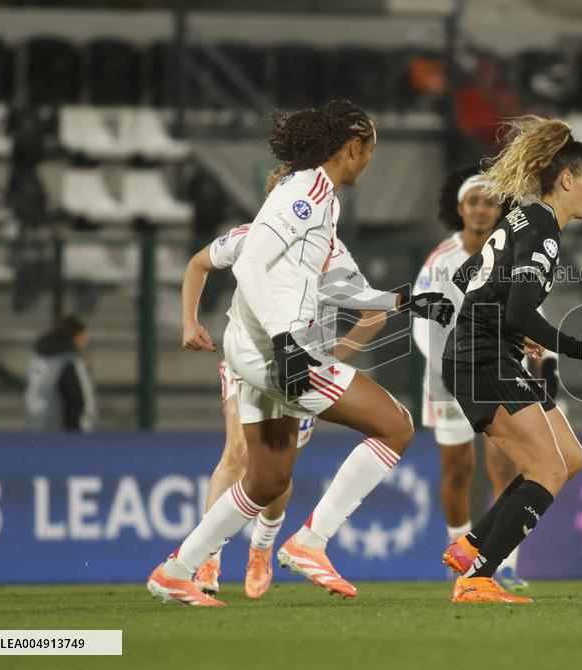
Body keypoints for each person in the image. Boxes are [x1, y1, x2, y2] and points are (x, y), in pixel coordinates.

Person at [147, 99, 454, 606]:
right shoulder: (308, 191)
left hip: (260, 349)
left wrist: (404, 300)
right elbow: (249, 268)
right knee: (395, 424)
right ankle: (311, 542)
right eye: (370, 152)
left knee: (268, 478)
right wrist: (288, 343)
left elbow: (340, 287)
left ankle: (176, 570)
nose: (370, 162)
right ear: (352, 148)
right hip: (274, 352)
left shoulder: (323, 201)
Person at [440, 116, 582, 603]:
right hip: (482, 358)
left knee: (569, 459)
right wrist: (581, 348)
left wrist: (510, 325)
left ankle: (471, 545)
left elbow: (469, 276)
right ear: (567, 180)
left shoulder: (523, 216)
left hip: (488, 350)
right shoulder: (543, 231)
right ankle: (478, 578)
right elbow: (522, 308)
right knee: (546, 470)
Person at [180, 217, 388, 599]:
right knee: (236, 454)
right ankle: (207, 558)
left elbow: (375, 313)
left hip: (297, 373)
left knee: (275, 471)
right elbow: (198, 263)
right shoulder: (248, 239)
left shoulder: (332, 254)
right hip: (247, 362)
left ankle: (263, 543)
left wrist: (333, 358)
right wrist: (189, 321)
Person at [413, 166, 547, 592]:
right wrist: (444, 368)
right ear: (460, 209)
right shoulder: (440, 262)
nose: (481, 209)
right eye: (473, 201)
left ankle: (502, 561)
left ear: (500, 208)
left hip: (499, 368)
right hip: (448, 375)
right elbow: (423, 319)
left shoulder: (513, 250)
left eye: (489, 201)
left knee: (507, 466)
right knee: (456, 471)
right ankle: (460, 552)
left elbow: (528, 310)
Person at [25, 314, 97, 432]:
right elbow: (78, 399)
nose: (86, 339)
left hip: (36, 425)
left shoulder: (37, 357)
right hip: (62, 432)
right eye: (83, 335)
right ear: (76, 335)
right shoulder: (70, 361)